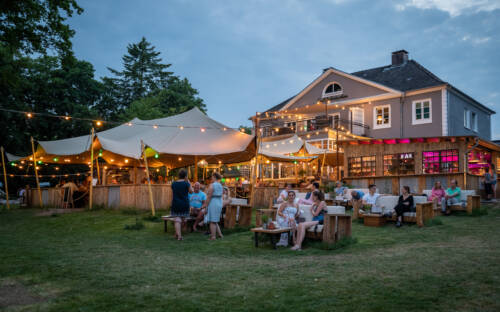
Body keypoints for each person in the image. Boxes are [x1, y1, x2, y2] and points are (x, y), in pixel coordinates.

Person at [170, 169, 191, 240]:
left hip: (176, 203)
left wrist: (171, 203)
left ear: (178, 176)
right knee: (182, 219)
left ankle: (177, 235)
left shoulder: (173, 184)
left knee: (177, 219)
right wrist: (188, 182)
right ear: (185, 176)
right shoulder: (186, 183)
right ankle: (179, 236)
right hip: (185, 204)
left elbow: (172, 195)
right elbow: (191, 191)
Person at [203, 172, 224, 240]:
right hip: (219, 202)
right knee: (215, 220)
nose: (211, 178)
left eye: (212, 177)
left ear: (214, 177)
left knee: (212, 221)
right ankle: (220, 235)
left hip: (213, 202)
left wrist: (206, 206)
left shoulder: (212, 185)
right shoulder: (220, 185)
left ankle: (213, 236)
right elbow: (222, 194)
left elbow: (209, 197)